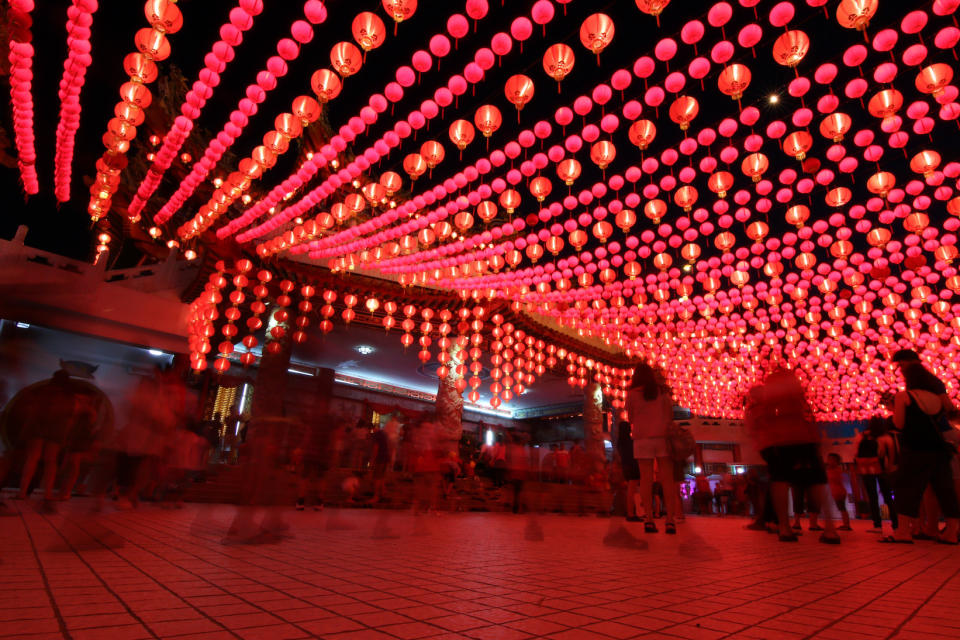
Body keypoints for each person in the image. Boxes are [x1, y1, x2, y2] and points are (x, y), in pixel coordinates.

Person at [745, 366, 840, 544]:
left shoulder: (770, 393)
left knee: (780, 481)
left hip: (780, 440)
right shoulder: (796, 390)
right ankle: (830, 529)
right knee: (817, 482)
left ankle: (784, 528)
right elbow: (809, 414)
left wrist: (761, 441)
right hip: (805, 438)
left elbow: (764, 419)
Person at [882, 353, 960, 544]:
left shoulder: (904, 396)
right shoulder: (937, 397)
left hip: (915, 447)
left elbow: (899, 424)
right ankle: (951, 533)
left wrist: (893, 413)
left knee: (907, 488)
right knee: (944, 489)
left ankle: (903, 531)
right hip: (939, 448)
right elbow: (950, 413)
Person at [625, 363, 678, 534]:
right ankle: (670, 520)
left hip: (642, 439)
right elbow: (670, 415)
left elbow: (630, 417)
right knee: (667, 481)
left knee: (645, 480)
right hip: (662, 438)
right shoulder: (662, 392)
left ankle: (648, 519)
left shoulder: (632, 394)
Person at [856, 416, 899, 533]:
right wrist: (890, 467)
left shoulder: (861, 436)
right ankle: (896, 524)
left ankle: (877, 525)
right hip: (882, 469)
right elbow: (892, 454)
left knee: (872, 497)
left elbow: (856, 453)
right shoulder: (886, 437)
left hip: (867, 469)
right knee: (888, 497)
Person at [615, 422, 641, 522]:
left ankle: (631, 512)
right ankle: (631, 513)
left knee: (631, 490)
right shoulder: (629, 441)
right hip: (633, 466)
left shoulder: (620, 442)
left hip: (625, 466)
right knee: (632, 490)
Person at [825, 453, 852, 531]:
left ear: (836, 461)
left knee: (842, 509)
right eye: (829, 459)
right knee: (842, 508)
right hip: (836, 492)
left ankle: (846, 525)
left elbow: (835, 480)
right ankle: (846, 524)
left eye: (831, 460)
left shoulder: (836, 470)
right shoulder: (831, 470)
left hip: (839, 492)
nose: (829, 461)